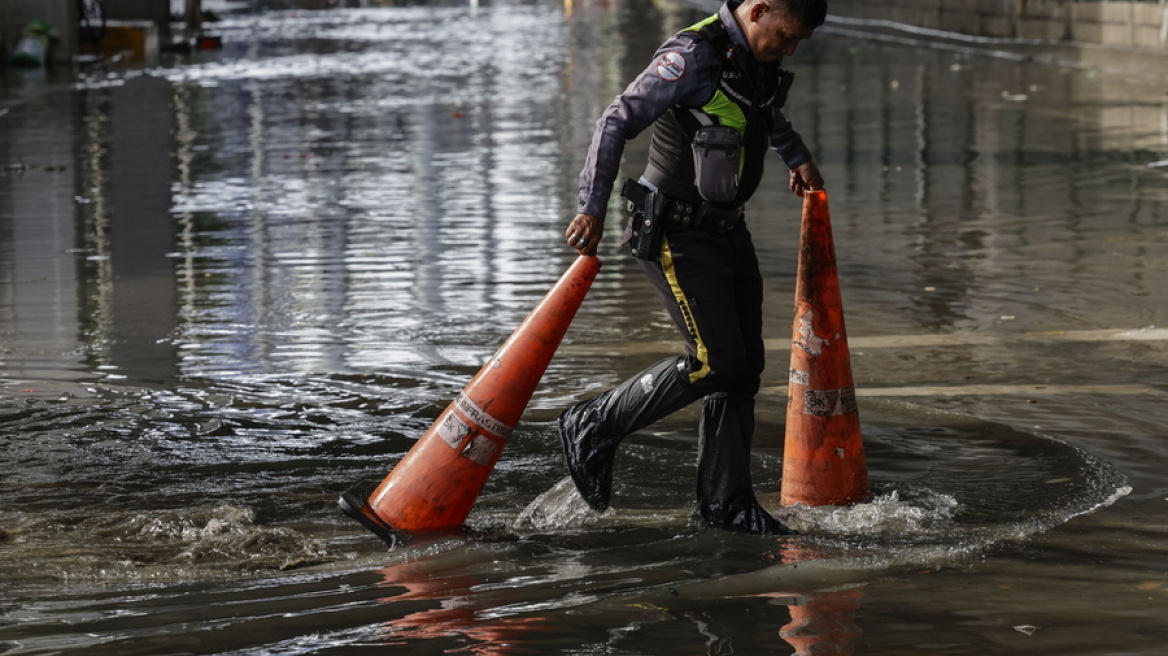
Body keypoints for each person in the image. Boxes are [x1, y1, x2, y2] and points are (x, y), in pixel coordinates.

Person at [558, 0, 827, 534]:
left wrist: (795, 155)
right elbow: (615, 121)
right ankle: (594, 421)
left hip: (727, 229)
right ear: (760, 9)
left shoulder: (756, 59)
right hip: (674, 231)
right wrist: (592, 207)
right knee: (712, 361)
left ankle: (725, 506)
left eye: (798, 43)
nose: (789, 49)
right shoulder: (692, 55)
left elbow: (763, 110)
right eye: (786, 36)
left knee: (744, 367)